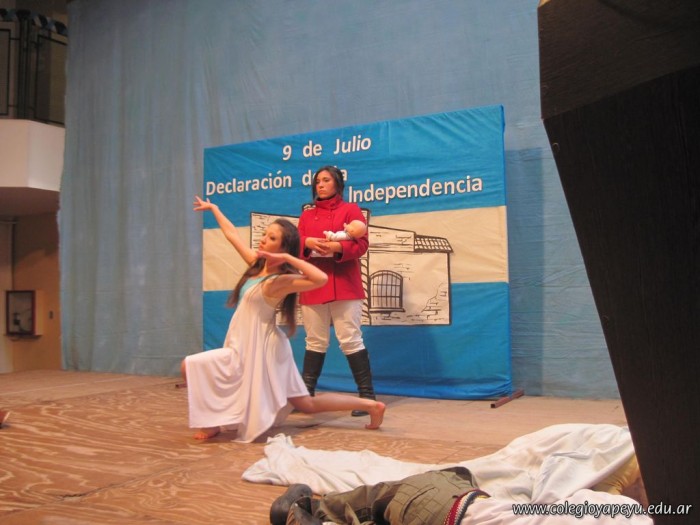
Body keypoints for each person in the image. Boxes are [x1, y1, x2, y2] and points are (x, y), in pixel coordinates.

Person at [181, 196, 385, 442]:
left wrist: (290, 259)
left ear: (283, 247)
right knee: (305, 404)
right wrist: (214, 209)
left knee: (189, 365)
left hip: (263, 348)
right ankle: (371, 405)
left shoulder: (280, 281)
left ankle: (371, 405)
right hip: (243, 345)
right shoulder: (256, 265)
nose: (263, 239)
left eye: (272, 238)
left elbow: (320, 279)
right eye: (265, 235)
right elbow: (231, 234)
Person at [297, 166, 375, 417]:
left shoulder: (351, 209)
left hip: (345, 284)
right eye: (317, 181)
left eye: (326, 180)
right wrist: (307, 243)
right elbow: (295, 245)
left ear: (338, 184)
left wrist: (337, 248)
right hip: (313, 284)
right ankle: (306, 396)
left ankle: (367, 398)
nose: (320, 185)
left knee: (350, 339)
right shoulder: (306, 215)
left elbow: (362, 244)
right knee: (314, 341)